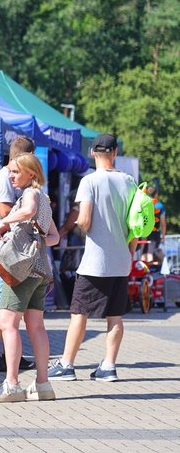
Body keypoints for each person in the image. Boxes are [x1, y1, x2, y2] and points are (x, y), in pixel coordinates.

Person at [49, 134, 134, 382]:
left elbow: (84, 220)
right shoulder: (129, 181)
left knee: (79, 313)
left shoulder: (89, 181)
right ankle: (108, 366)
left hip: (95, 262)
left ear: (93, 153)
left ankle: (66, 364)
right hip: (121, 260)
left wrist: (81, 226)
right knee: (115, 315)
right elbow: (135, 225)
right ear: (115, 152)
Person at [0, 154, 60, 401]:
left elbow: (28, 211)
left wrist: (4, 222)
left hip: (22, 270)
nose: (11, 176)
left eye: (15, 172)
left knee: (8, 324)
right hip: (41, 270)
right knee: (36, 326)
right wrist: (38, 242)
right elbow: (55, 237)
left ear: (31, 173)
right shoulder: (45, 199)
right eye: (10, 172)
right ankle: (43, 384)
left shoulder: (30, 195)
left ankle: (12, 384)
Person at [0, 137, 37, 373]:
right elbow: (4, 210)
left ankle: (5, 353)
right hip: (5, 247)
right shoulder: (5, 178)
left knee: (6, 302)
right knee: (1, 301)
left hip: (9, 245)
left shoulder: (7, 176)